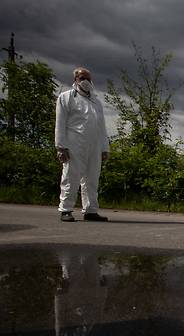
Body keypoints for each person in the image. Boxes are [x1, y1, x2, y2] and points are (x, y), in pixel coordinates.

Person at [55, 67, 110, 222]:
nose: (85, 81)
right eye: (82, 78)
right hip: (74, 144)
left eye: (88, 79)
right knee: (71, 176)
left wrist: (105, 148)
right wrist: (61, 146)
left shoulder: (96, 102)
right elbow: (60, 123)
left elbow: (102, 126)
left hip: (95, 145)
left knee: (92, 178)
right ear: (75, 80)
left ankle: (91, 210)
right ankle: (66, 209)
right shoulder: (66, 98)